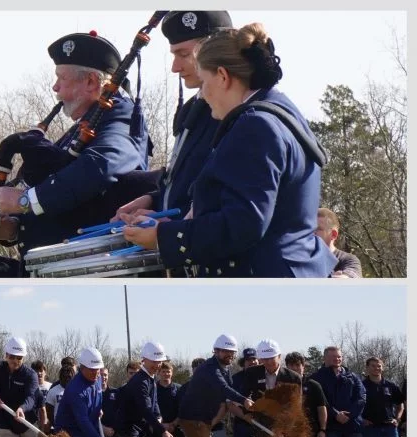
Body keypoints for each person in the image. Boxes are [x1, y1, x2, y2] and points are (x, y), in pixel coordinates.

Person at [124, 23, 336, 278]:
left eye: (204, 81)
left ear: (223, 77)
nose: (202, 93)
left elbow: (244, 224)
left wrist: (164, 237)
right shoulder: (280, 111)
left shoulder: (256, 126)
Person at [0, 30, 150, 255]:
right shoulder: (82, 127)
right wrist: (13, 227)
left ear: (90, 81)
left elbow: (101, 166)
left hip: (99, 266)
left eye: (61, 78)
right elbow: (65, 198)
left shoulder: (121, 116)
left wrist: (26, 200)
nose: (55, 87)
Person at [115, 11, 234, 220]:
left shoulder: (237, 112)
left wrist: (169, 232)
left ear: (215, 52)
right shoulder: (192, 108)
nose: (174, 68)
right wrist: (154, 199)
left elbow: (228, 203)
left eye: (184, 55)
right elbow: (187, 180)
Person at [176, 334, 254, 437]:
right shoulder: (210, 368)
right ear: (216, 351)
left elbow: (229, 390)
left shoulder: (224, 368)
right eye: (226, 351)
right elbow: (223, 389)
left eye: (232, 352)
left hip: (202, 419)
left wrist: (242, 403)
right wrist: (244, 400)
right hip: (194, 419)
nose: (230, 355)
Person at [238, 339, 304, 437]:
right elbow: (242, 395)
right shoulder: (251, 374)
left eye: (270, 359)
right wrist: (246, 409)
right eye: (264, 359)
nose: (267, 362)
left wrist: (283, 428)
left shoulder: (293, 378)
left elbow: (295, 407)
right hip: (262, 425)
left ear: (279, 357)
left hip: (287, 426)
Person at [116, 342, 175, 437]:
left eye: (160, 361)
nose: (158, 365)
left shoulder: (150, 379)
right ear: (145, 360)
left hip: (136, 430)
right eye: (154, 361)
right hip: (129, 430)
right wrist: (162, 430)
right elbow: (145, 409)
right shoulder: (141, 381)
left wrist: (159, 417)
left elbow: (153, 406)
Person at [52, 348, 106, 437]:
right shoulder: (76, 389)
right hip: (71, 432)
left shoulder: (98, 379)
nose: (96, 373)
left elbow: (97, 398)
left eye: (98, 370)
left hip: (84, 431)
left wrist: (96, 410)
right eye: (92, 370)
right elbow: (82, 420)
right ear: (82, 368)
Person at [316, 207, 363, 278]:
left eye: (316, 229)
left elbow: (352, 277)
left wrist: (342, 279)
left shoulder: (347, 260)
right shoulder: (299, 259)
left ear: (333, 234)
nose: (309, 233)